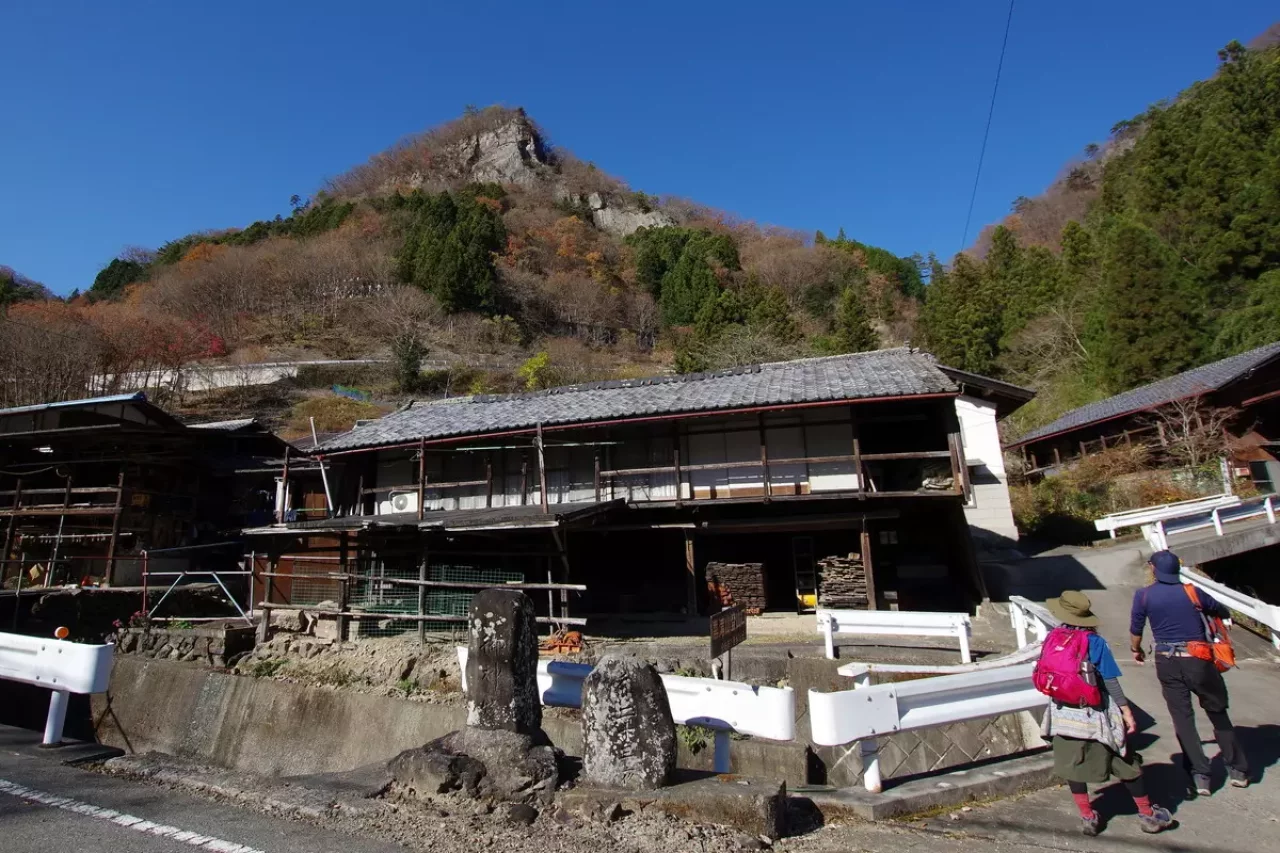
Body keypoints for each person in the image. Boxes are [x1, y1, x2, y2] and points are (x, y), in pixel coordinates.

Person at [1043, 590, 1174, 836]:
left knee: (1071, 765)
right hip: (1095, 713)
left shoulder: (1052, 638)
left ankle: (1087, 817)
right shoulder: (1095, 642)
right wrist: (1126, 711)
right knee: (1124, 758)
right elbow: (1110, 680)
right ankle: (1147, 815)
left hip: (1063, 712)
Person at [1130, 550, 1250, 796]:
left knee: (1183, 719)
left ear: (1153, 569)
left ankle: (1201, 776)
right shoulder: (1193, 592)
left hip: (1168, 661)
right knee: (1217, 713)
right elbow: (1221, 611)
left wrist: (1136, 649)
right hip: (1200, 659)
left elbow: (1136, 628)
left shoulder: (1144, 596)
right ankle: (1238, 771)